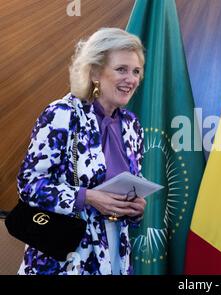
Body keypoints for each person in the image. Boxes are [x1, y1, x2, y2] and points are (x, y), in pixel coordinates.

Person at [16, 28, 147, 275]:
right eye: (121, 69)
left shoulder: (132, 126)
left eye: (136, 71)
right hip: (63, 259)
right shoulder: (61, 114)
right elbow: (29, 185)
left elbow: (128, 188)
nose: (131, 79)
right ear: (95, 71)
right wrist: (87, 197)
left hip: (115, 256)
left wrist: (135, 208)